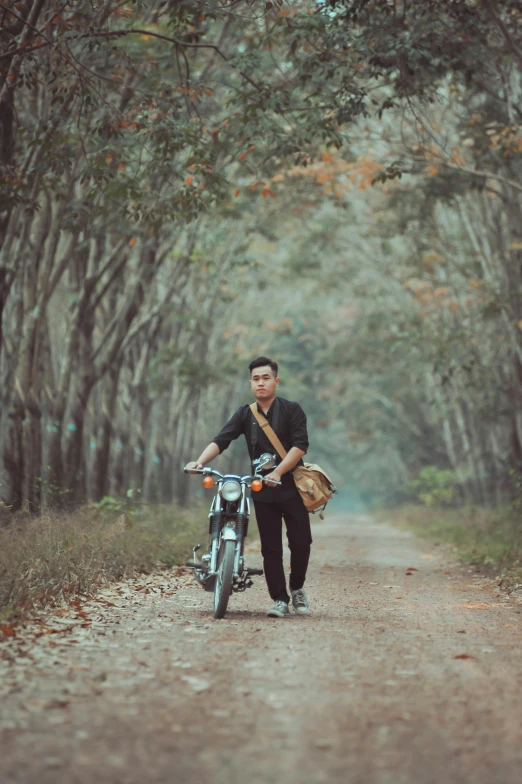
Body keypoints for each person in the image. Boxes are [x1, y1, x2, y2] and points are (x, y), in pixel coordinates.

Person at [185, 356, 312, 618]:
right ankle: (279, 600)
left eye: (266, 378)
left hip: (292, 488)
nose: (261, 383)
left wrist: (277, 472)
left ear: (276, 381)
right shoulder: (245, 413)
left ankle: (297, 586)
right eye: (256, 379)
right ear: (250, 383)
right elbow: (222, 440)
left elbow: (299, 446)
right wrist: (199, 462)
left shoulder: (292, 410)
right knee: (270, 548)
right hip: (261, 490)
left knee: (301, 543)